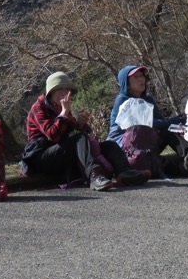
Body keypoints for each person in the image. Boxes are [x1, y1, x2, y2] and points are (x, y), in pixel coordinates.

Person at [21, 71, 149, 191]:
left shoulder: (60, 107)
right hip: (42, 157)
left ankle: (124, 173)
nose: (64, 93)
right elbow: (53, 135)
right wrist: (64, 112)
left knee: (109, 145)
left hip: (61, 152)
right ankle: (95, 175)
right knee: (80, 138)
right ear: (51, 91)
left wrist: (81, 124)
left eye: (67, 89)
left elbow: (75, 132)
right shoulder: (39, 108)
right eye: (60, 89)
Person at [107, 65, 188, 176]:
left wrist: (177, 125)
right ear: (126, 82)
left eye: (142, 76)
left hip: (144, 142)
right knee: (155, 155)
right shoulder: (123, 100)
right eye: (135, 77)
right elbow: (143, 124)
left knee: (168, 132)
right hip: (125, 147)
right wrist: (172, 120)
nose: (141, 79)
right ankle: (184, 166)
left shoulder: (147, 99)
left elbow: (160, 122)